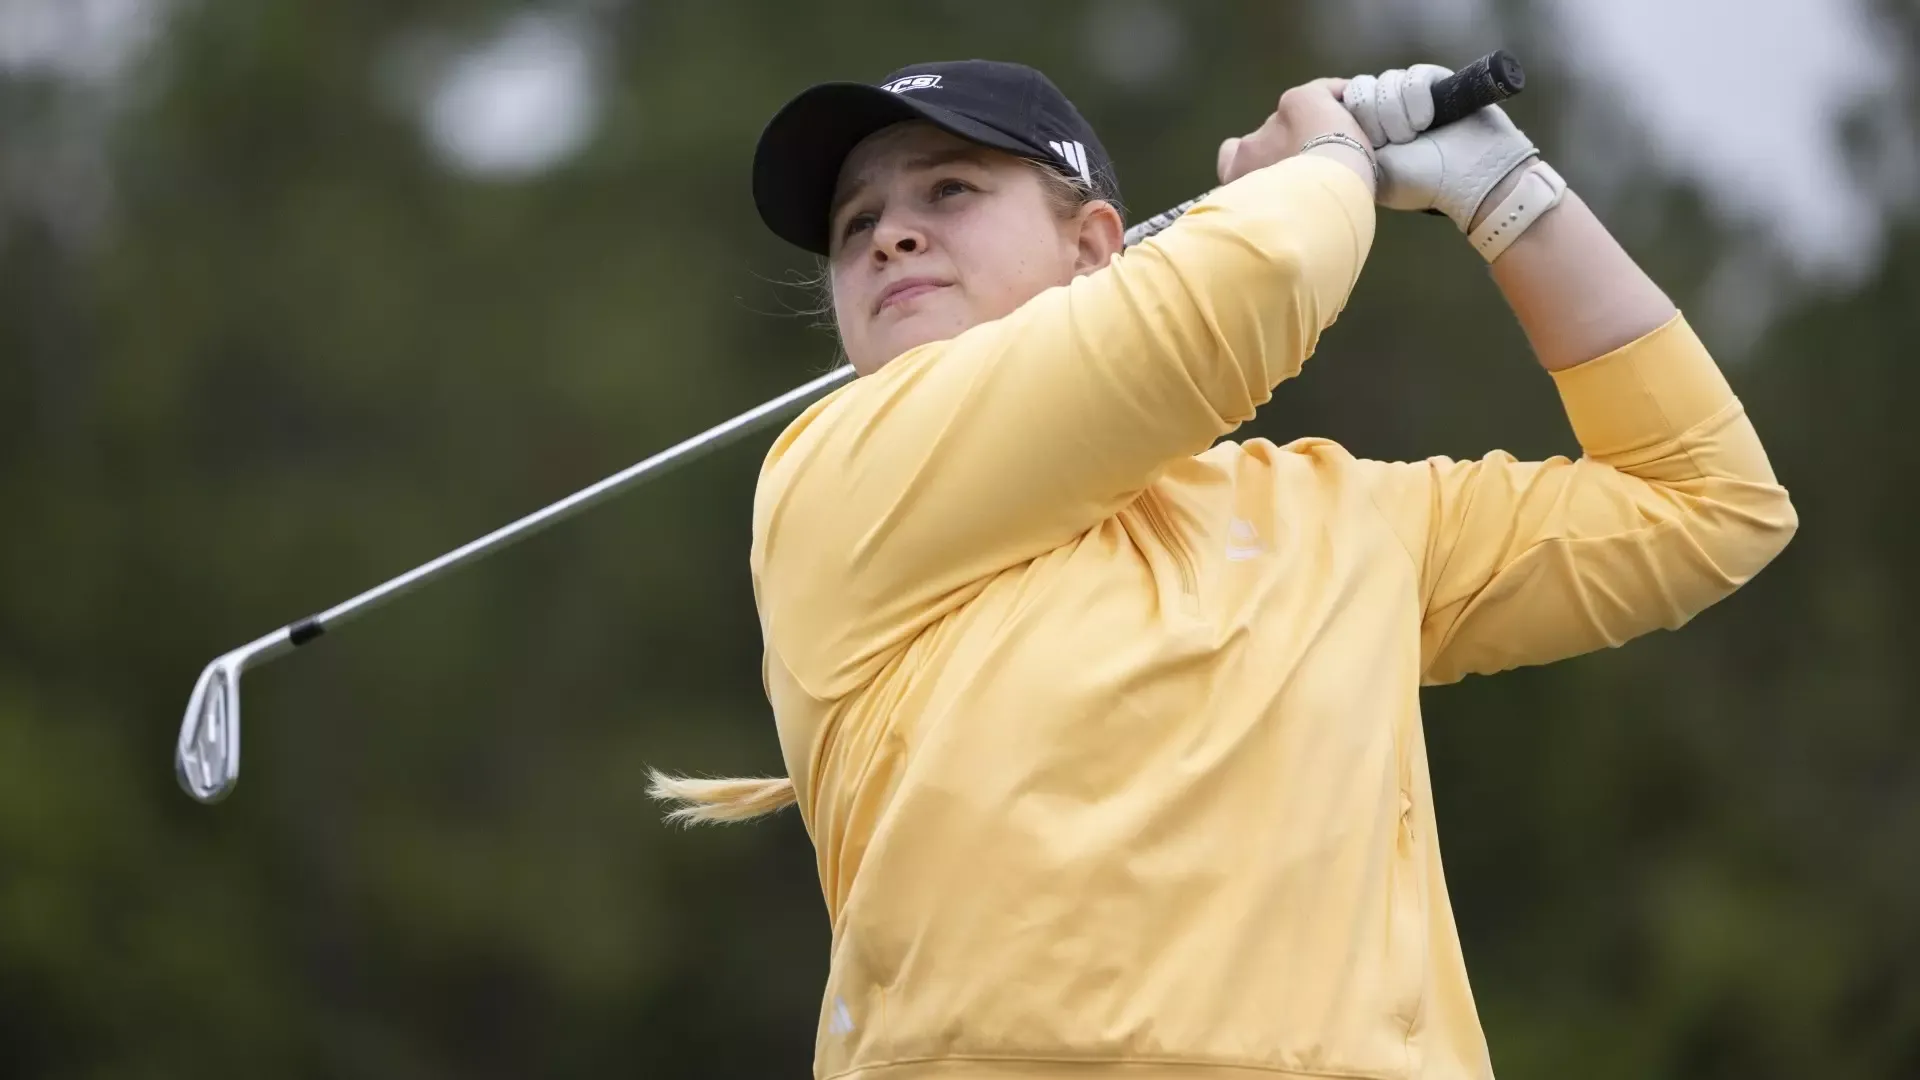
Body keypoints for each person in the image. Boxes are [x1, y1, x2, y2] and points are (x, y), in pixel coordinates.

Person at [650, 58, 1797, 1079]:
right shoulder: (839, 476)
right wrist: (1328, 161)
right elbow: (1238, 298)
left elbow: (1702, 505)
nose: (889, 234)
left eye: (947, 190)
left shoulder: (1336, 516)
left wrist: (1509, 198)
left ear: (1097, 245)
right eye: (857, 225)